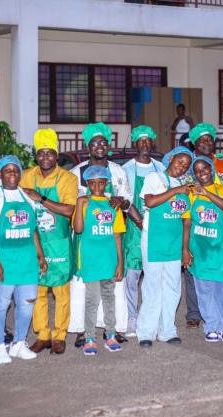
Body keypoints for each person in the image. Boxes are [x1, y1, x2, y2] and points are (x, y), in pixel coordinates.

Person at [69, 122, 135, 348]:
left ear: (109, 146)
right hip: (85, 239)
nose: (99, 146)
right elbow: (71, 204)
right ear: (88, 147)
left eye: (103, 142)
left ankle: (112, 329)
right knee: (83, 287)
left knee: (112, 287)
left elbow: (127, 200)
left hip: (109, 236)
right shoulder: (76, 172)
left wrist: (121, 201)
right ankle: (82, 330)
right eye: (94, 143)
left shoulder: (118, 171)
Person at [0, 156, 48, 364]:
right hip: (3, 260)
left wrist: (40, 255)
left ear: (20, 174)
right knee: (0, 304)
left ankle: (19, 343)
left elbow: (32, 230)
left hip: (27, 260)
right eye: (7, 170)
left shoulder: (27, 196)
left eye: (16, 170)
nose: (12, 173)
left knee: (27, 303)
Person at [20, 129, 78, 355]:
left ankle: (60, 335)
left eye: (50, 153)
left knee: (61, 291)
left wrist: (41, 198)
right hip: (34, 241)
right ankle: (43, 335)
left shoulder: (68, 178)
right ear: (36, 155)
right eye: (41, 153)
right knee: (38, 290)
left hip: (58, 242)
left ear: (57, 155)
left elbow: (68, 210)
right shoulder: (26, 176)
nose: (45, 157)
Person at [136, 146, 194, 347]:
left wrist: (185, 249)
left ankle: (167, 330)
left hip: (174, 242)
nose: (181, 167)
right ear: (170, 159)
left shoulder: (184, 186)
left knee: (172, 287)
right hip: (154, 239)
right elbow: (151, 201)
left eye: (185, 166)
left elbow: (186, 220)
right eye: (179, 162)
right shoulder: (155, 177)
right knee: (152, 285)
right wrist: (176, 190)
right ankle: (146, 331)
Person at [182, 156, 223, 342]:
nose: (201, 173)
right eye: (197, 171)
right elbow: (187, 222)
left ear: (211, 169)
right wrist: (185, 249)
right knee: (204, 289)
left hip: (221, 248)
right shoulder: (191, 194)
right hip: (200, 249)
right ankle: (211, 325)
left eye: (204, 168)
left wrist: (206, 193)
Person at [73, 166, 126, 355]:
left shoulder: (113, 205)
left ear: (107, 183)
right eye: (93, 183)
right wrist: (79, 203)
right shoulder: (84, 203)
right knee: (92, 300)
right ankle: (89, 337)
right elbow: (78, 229)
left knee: (109, 298)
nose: (97, 186)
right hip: (90, 259)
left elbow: (117, 235)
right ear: (87, 183)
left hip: (109, 259)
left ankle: (110, 334)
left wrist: (120, 263)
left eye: (101, 183)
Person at [121, 125, 165, 338]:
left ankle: (151, 318)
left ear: (152, 143)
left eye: (148, 140)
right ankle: (132, 316)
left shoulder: (160, 168)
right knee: (131, 276)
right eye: (141, 140)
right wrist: (139, 221)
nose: (145, 144)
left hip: (157, 228)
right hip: (134, 229)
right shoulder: (127, 169)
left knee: (154, 277)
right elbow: (124, 199)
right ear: (135, 143)